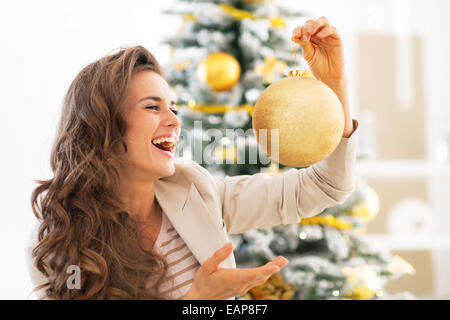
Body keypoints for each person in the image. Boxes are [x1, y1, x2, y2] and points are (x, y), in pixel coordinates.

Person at [26, 16, 359, 300]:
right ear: (103, 126)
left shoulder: (194, 189)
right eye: (152, 107)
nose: (174, 121)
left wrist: (333, 84)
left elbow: (326, 186)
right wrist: (197, 300)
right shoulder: (59, 245)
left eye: (173, 108)